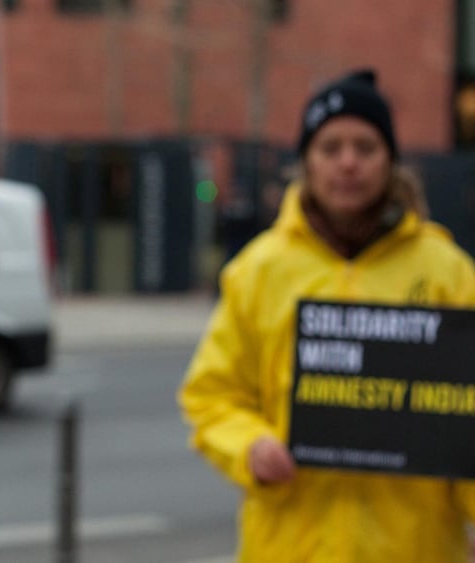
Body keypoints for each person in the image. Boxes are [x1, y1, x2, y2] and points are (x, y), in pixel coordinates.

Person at [178, 69, 475, 561]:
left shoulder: (449, 274)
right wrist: (251, 448)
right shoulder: (259, 271)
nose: (348, 163)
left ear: (391, 161)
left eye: (366, 146)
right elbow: (211, 397)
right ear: (306, 163)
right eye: (330, 147)